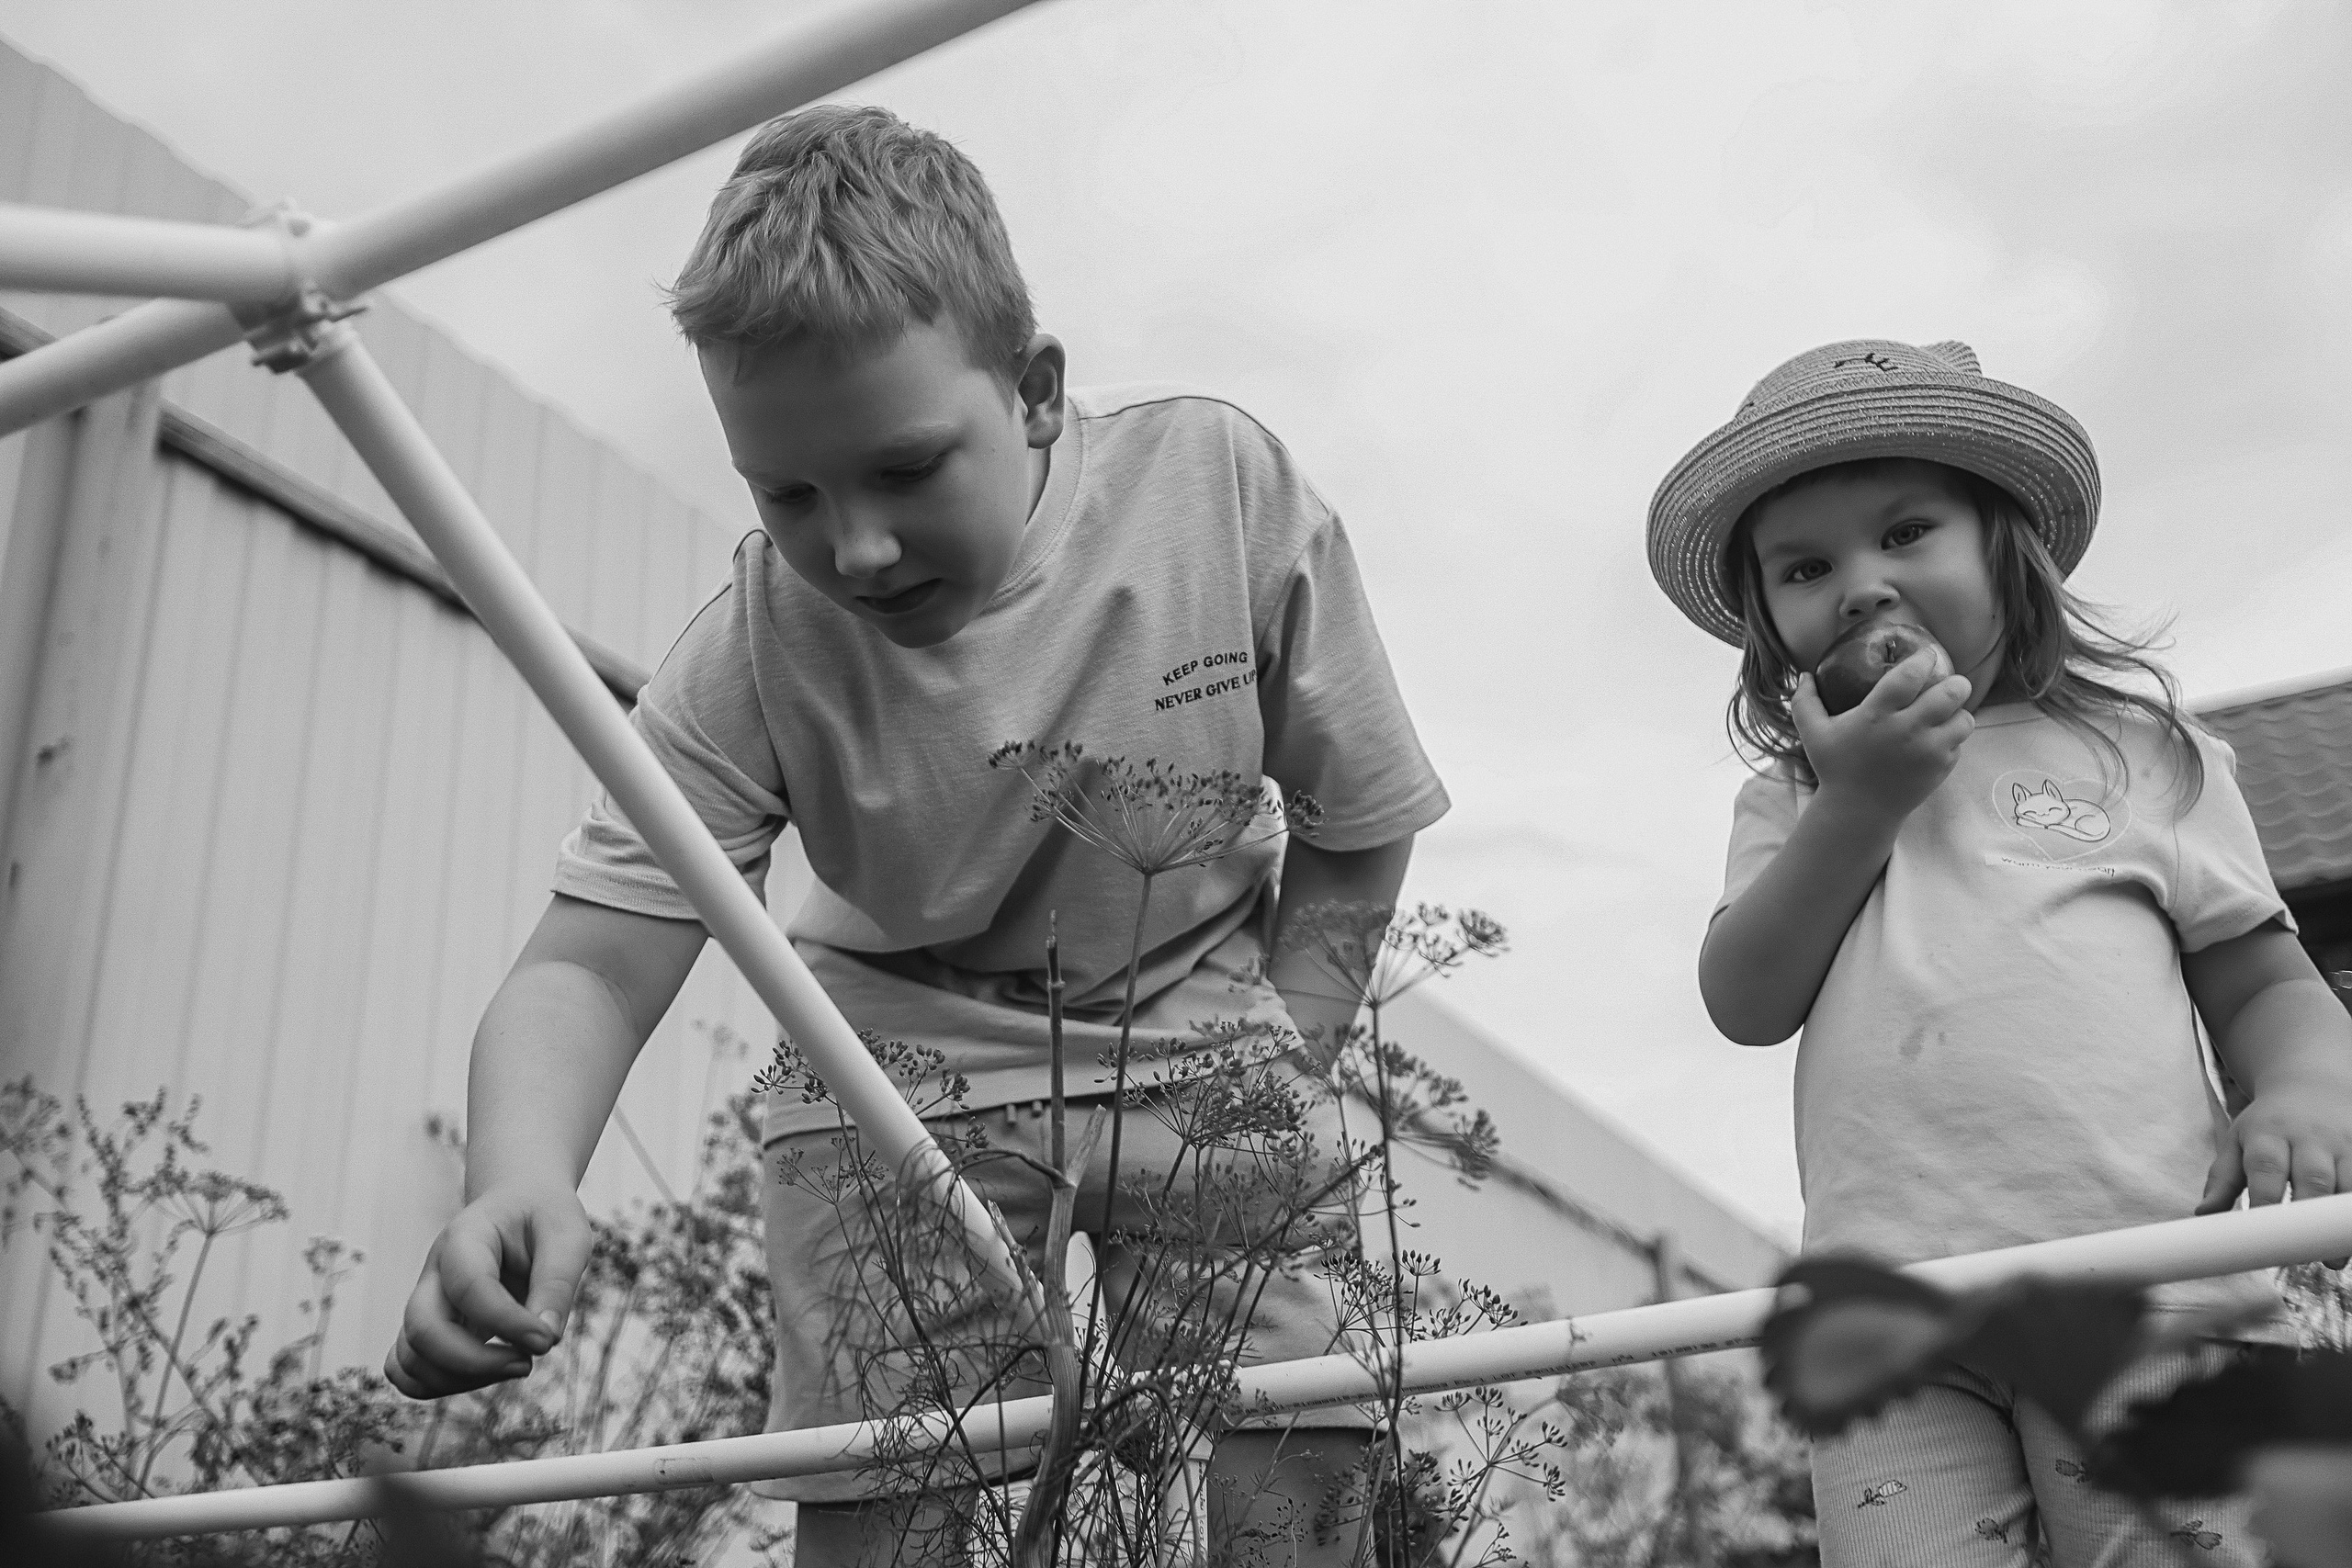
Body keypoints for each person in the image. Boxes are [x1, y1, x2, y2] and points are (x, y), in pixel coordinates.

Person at [381, 104, 1449, 1567]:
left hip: (1199, 1002)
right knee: (885, 1497)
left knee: (1301, 1450)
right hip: (897, 1053)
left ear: (1035, 391)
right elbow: (590, 961)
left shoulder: (1215, 496)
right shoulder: (760, 641)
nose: (857, 549)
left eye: (905, 469)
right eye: (789, 495)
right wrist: (516, 1173)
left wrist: (1288, 1056)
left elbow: (1360, 821)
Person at [1647, 338, 2352, 1564]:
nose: (1860, 585)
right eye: (1807, 567)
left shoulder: (2140, 750)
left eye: (1906, 532)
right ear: (1770, 625)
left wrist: (2304, 1084)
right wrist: (1856, 803)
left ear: (2003, 548)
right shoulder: (1795, 797)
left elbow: (2268, 982)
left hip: (2152, 1296)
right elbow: (1747, 1000)